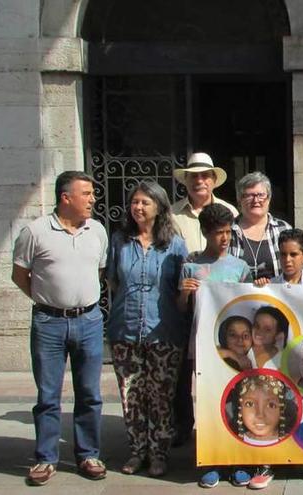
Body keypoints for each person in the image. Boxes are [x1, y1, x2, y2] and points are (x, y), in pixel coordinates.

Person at [11, 171, 109, 486]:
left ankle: (88, 454)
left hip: (90, 321)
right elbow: (19, 275)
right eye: (86, 194)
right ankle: (46, 458)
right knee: (49, 394)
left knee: (90, 393)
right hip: (48, 323)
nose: (93, 199)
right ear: (66, 198)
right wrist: (48, 300)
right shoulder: (35, 232)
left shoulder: (98, 230)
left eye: (93, 193)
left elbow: (100, 271)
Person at [106, 181, 188, 478]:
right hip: (125, 329)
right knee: (131, 395)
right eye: (135, 202)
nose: (138, 207)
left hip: (163, 330)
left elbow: (180, 288)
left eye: (145, 202)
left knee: (161, 396)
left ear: (159, 207)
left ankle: (159, 454)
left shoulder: (175, 244)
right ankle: (137, 451)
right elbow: (114, 281)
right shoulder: (119, 240)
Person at [176, 204, 252, 489]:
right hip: (204, 346)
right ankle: (211, 460)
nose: (224, 238)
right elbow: (181, 308)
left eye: (227, 232)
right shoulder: (191, 265)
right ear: (205, 232)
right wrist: (184, 293)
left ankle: (239, 459)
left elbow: (249, 305)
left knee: (237, 399)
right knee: (207, 403)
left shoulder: (240, 267)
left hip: (235, 348)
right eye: (218, 233)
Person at [170, 153, 238, 446]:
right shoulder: (172, 215)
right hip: (192, 303)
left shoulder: (229, 211)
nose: (200, 180)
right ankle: (186, 430)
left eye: (205, 176)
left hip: (224, 312)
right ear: (186, 181)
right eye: (194, 176)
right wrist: (184, 289)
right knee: (186, 376)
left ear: (213, 180)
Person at [229, 172, 291, 285]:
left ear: (269, 198)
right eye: (249, 195)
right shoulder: (228, 231)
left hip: (276, 300)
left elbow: (295, 271)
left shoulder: (284, 229)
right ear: (239, 199)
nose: (256, 200)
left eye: (261, 195)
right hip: (238, 299)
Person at [234, 375, 288, 446]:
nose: (260, 415)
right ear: (240, 408)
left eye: (271, 405)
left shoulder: (293, 445)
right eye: (250, 404)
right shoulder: (232, 445)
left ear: (281, 409)